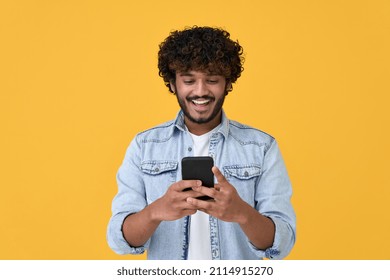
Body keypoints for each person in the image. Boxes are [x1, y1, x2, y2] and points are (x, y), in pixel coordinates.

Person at [107, 26, 296, 260]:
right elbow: (120, 241)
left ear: (227, 83)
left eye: (212, 80)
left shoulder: (262, 147)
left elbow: (282, 244)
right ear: (173, 84)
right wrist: (156, 211)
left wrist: (242, 213)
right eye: (188, 80)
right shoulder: (145, 146)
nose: (200, 91)